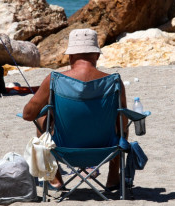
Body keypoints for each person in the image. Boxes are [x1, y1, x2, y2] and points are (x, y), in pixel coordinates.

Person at [22, 28, 127, 192]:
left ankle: (55, 179)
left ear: (70, 56)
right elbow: (122, 125)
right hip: (106, 149)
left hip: (63, 149)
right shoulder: (114, 82)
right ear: (97, 55)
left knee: (41, 120)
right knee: (120, 122)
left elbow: (28, 115)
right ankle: (113, 178)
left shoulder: (54, 79)